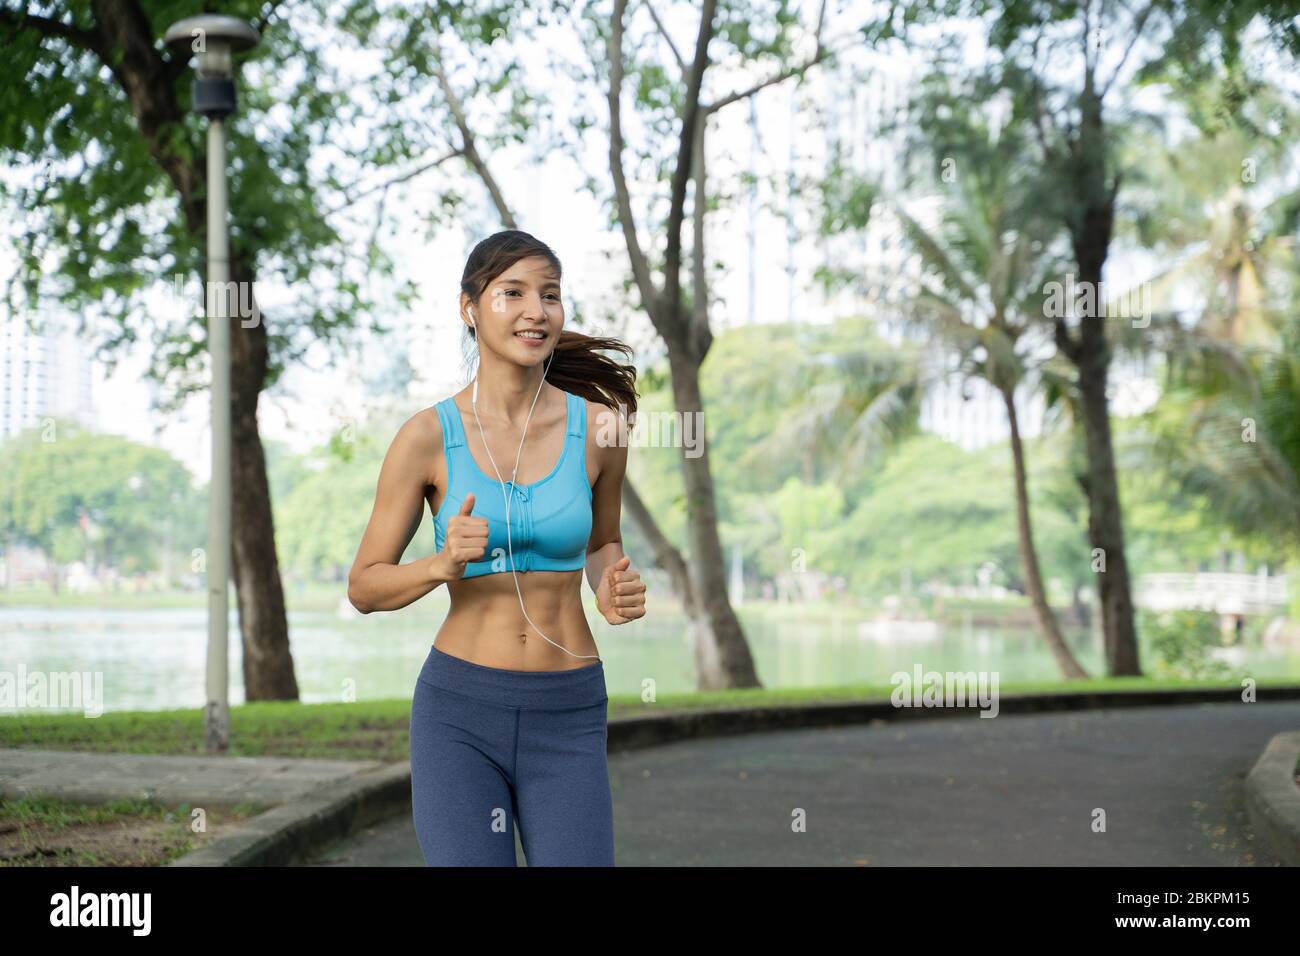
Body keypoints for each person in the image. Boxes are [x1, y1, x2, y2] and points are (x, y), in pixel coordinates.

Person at [347, 229, 647, 866]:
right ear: (470, 308)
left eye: (550, 295)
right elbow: (364, 586)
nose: (536, 310)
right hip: (460, 713)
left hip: (569, 708)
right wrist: (441, 564)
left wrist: (611, 586)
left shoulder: (599, 430)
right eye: (512, 293)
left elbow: (602, 542)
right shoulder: (428, 436)